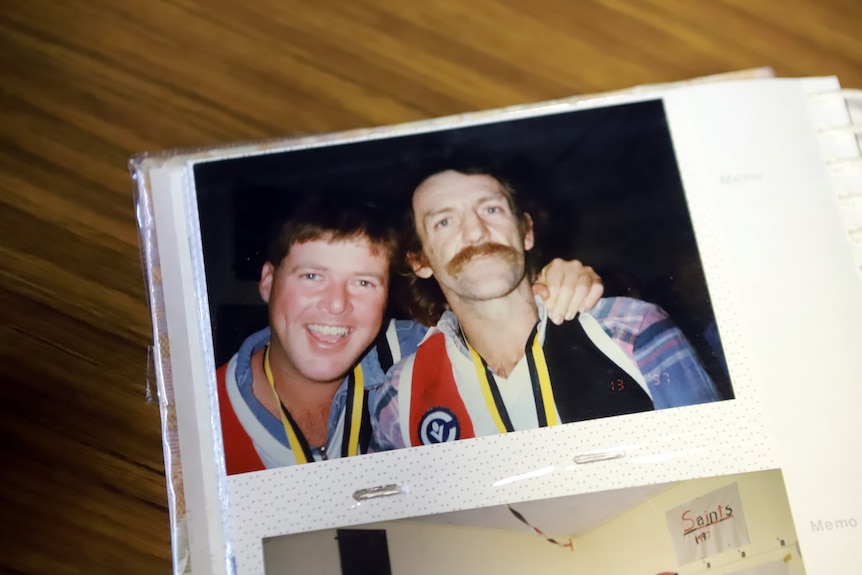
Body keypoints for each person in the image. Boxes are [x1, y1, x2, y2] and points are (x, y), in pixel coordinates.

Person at [216, 192, 603, 474]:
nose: (336, 304)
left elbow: (494, 321)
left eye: (364, 283)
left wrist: (555, 285)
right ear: (267, 282)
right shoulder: (200, 425)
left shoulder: (408, 356)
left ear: (386, 297)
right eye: (312, 276)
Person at [371, 168, 721, 449]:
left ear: (526, 232)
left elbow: (715, 455)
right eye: (444, 222)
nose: (476, 232)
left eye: (491, 209)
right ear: (419, 260)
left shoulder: (630, 330)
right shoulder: (398, 397)